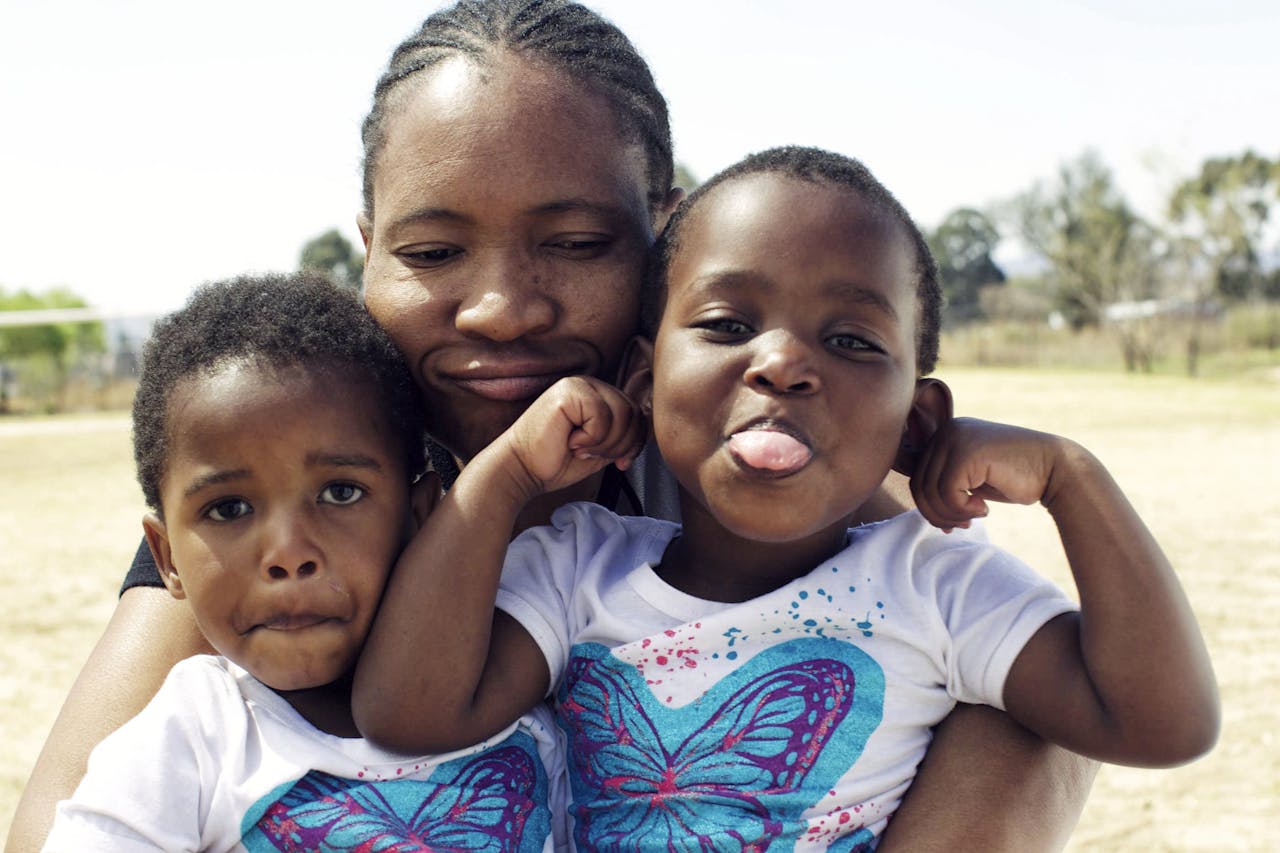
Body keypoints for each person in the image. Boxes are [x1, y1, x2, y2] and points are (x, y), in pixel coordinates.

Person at [7, 2, 1099, 850]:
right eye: (432, 253)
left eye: (576, 244)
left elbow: (1040, 715)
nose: (501, 308)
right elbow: (59, 818)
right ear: (367, 250)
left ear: (669, 237)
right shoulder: (300, 485)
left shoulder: (779, 486)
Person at [353, 146, 1220, 850]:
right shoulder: (578, 566)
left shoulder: (941, 587)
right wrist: (506, 472)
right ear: (644, 383)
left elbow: (1161, 724)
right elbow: (409, 713)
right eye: (728, 325)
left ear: (915, 423)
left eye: (850, 340)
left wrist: (1074, 479)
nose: (782, 363)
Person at [41, 273, 564, 852]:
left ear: (421, 515)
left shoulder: (516, 678)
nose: (289, 554)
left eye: (340, 493)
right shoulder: (187, 741)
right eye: (229, 508)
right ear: (166, 559)